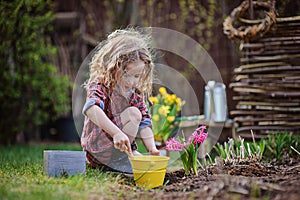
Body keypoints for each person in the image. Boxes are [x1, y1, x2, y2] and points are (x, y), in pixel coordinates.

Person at [81, 28, 160, 174]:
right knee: (133, 114)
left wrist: (152, 148)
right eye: (126, 74)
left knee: (138, 115)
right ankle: (117, 160)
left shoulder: (135, 93)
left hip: (119, 147)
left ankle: (123, 157)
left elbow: (144, 122)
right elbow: (91, 109)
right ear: (113, 67)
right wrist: (116, 133)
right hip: (98, 148)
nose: (131, 81)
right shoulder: (100, 85)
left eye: (136, 76)